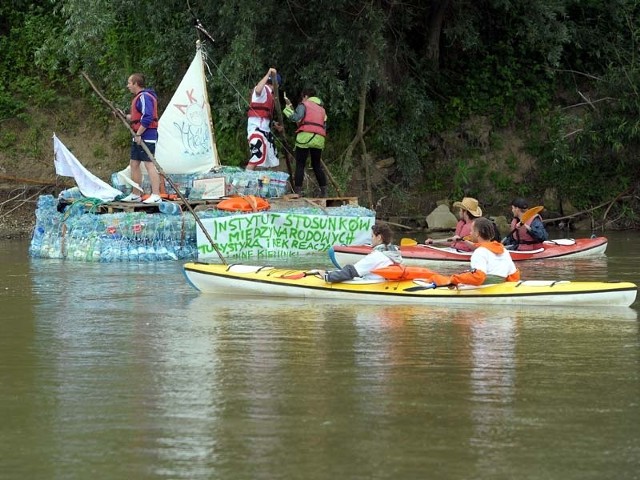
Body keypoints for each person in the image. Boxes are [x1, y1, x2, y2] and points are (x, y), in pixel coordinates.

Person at [428, 217, 521, 286]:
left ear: (477, 234)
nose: (470, 233)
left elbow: (478, 277)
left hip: (485, 289)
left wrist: (455, 279)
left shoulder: (480, 252)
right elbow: (514, 276)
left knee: (442, 278)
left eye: (471, 231)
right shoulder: (504, 250)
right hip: (500, 287)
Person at [120, 73, 163, 204]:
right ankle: (136, 193)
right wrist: (122, 115)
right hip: (138, 135)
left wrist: (139, 134)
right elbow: (136, 118)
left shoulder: (144, 97)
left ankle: (156, 195)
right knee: (134, 163)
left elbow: (148, 117)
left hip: (147, 135)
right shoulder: (138, 98)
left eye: (129, 83)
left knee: (149, 164)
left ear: (136, 84)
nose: (128, 86)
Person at [319, 223, 402, 283]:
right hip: (384, 283)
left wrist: (327, 276)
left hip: (373, 286)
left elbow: (351, 271)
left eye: (372, 236)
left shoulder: (377, 256)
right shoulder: (393, 252)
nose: (371, 239)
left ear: (379, 237)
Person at [284, 88, 328, 197]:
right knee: (316, 165)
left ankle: (297, 192)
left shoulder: (304, 105)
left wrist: (287, 109)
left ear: (306, 96)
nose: (302, 99)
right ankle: (324, 192)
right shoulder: (322, 109)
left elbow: (296, 118)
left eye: (302, 97)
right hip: (319, 138)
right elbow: (324, 126)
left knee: (300, 164)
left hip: (305, 137)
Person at [246, 67, 281, 171]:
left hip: (266, 130)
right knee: (257, 156)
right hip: (256, 129)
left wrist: (274, 124)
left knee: (272, 159)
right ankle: (241, 183)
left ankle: (268, 183)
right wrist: (267, 74)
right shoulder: (264, 89)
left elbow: (266, 115)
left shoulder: (271, 95)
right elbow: (257, 90)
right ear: (277, 85)